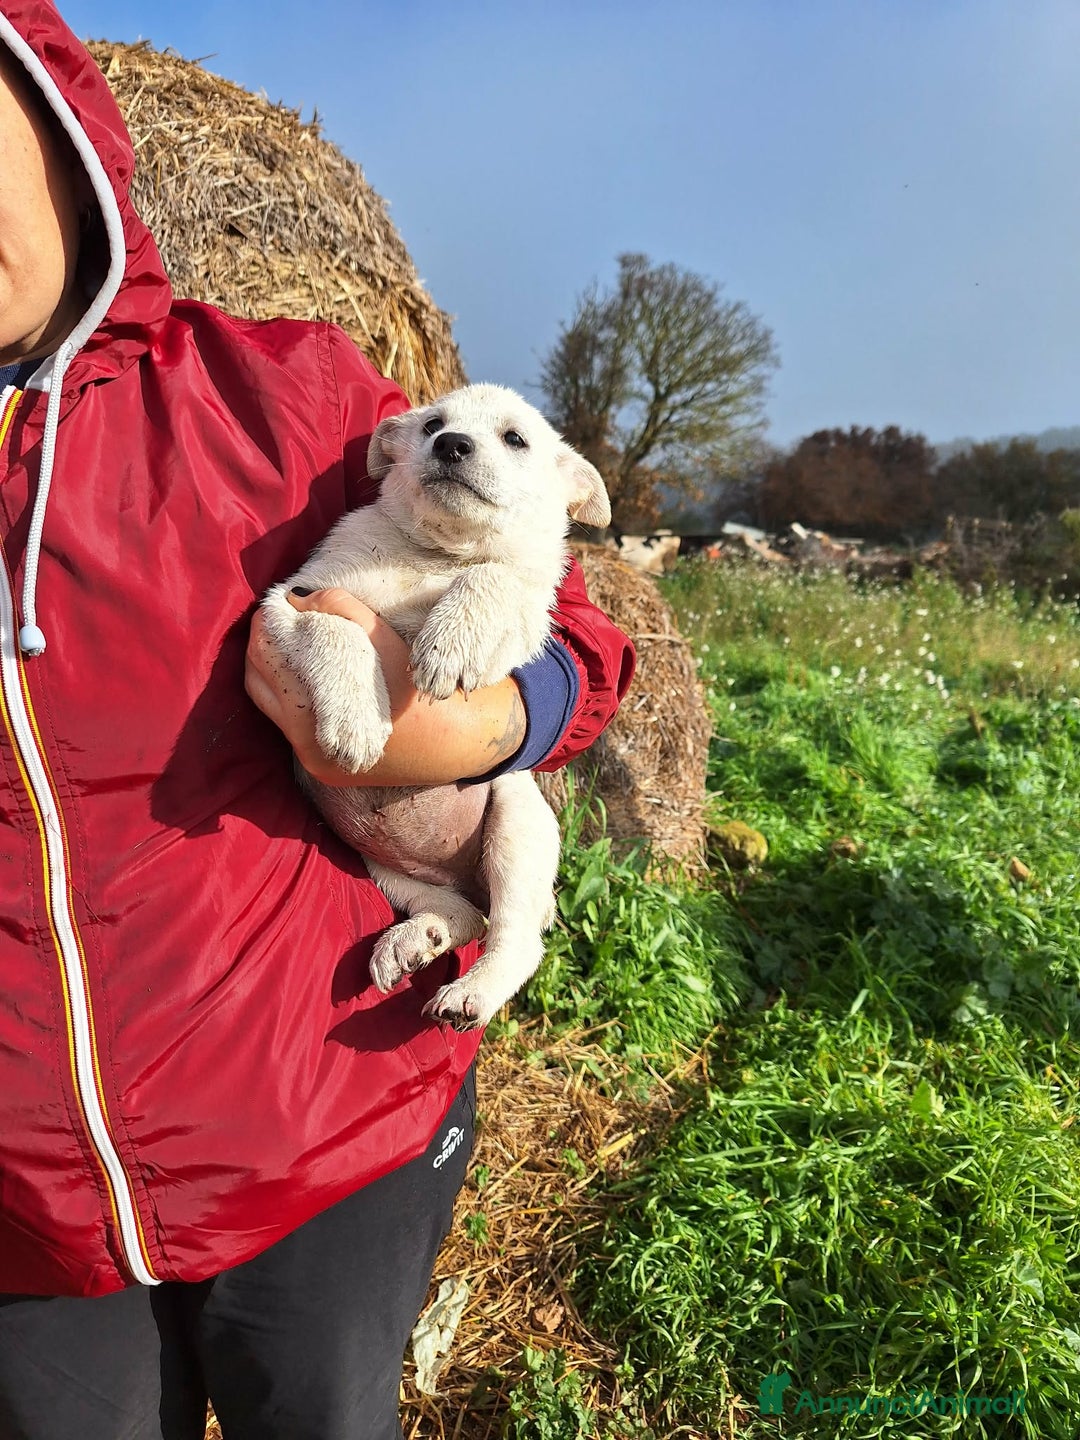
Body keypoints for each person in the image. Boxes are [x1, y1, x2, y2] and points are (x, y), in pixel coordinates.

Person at [0, 5, 635, 1438]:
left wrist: (482, 724)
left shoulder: (280, 394)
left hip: (320, 1102)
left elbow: (586, 634)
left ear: (54, 125)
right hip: (22, 1208)